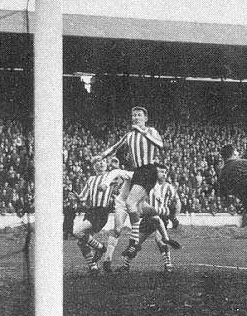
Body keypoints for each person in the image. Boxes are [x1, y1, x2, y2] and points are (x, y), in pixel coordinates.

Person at [92, 106, 164, 262]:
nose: (136, 117)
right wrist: (101, 155)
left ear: (146, 118)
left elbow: (161, 144)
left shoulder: (151, 131)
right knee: (136, 207)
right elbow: (115, 146)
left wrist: (142, 131)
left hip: (149, 169)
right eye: (134, 115)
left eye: (139, 115)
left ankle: (134, 242)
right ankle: (154, 221)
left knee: (130, 203)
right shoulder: (129, 135)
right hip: (139, 172)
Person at [118, 163, 181, 273]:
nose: (164, 174)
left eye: (165, 172)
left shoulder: (169, 187)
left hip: (162, 217)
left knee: (160, 240)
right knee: (136, 243)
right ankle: (125, 265)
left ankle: (168, 264)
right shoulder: (147, 184)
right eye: (161, 172)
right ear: (155, 172)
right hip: (148, 218)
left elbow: (177, 202)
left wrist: (175, 216)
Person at [72, 158, 119, 273]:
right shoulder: (91, 179)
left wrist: (116, 167)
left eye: (103, 161)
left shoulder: (110, 176)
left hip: (101, 212)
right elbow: (83, 197)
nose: (102, 163)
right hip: (91, 211)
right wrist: (76, 197)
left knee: (77, 232)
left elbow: (120, 179)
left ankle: (101, 248)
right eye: (98, 161)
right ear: (94, 166)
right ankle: (93, 266)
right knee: (81, 241)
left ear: (106, 164)